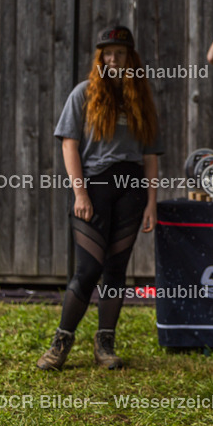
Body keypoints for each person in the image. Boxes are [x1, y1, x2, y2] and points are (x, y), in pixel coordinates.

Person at [38, 25, 162, 370]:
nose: (113, 59)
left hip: (132, 189)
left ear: (129, 57)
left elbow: (150, 156)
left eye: (119, 53)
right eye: (107, 53)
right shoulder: (83, 93)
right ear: (99, 57)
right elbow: (69, 145)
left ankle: (104, 344)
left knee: (116, 270)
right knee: (89, 268)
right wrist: (80, 192)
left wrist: (151, 201)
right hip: (93, 188)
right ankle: (61, 341)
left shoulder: (141, 98)